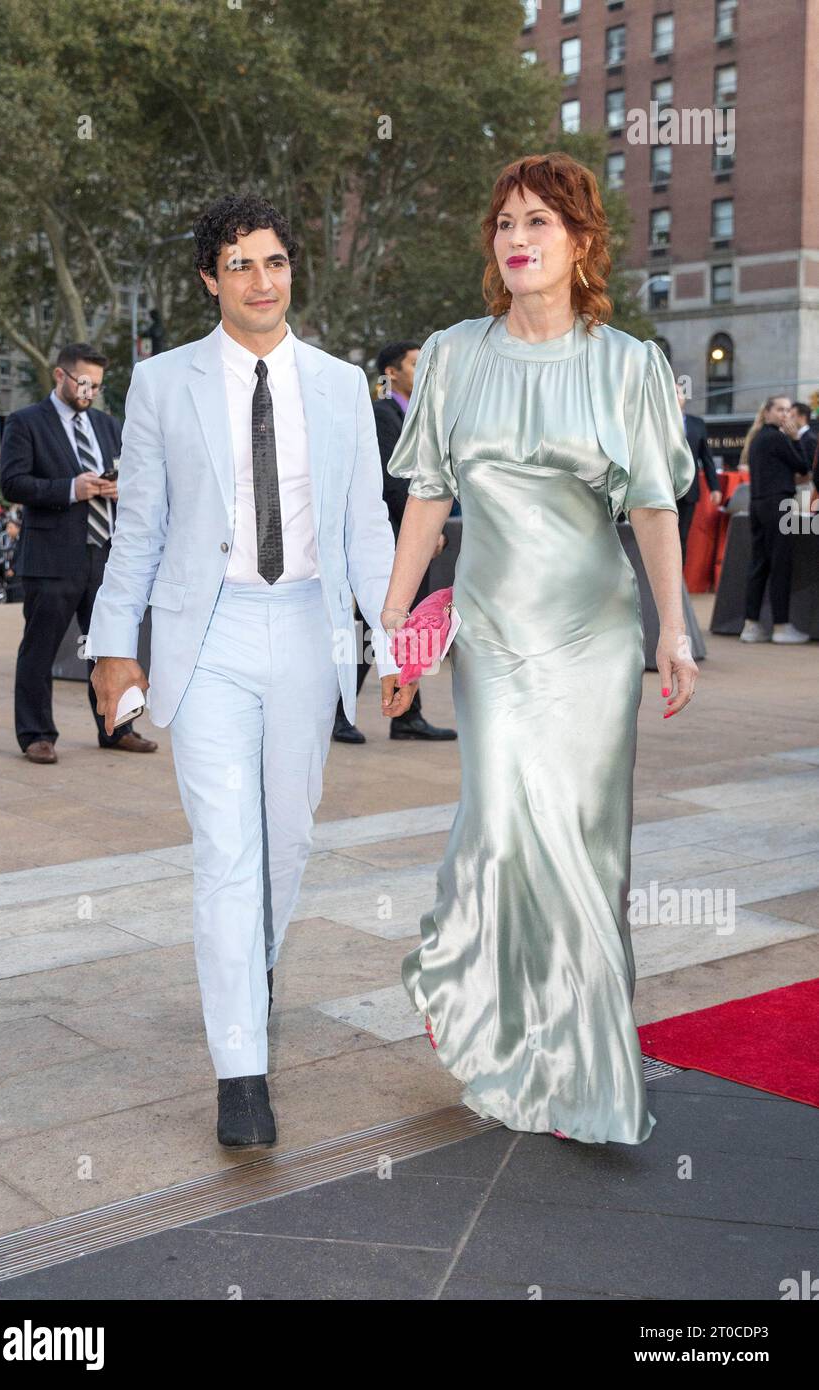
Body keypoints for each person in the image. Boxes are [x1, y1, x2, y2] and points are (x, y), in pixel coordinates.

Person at [381, 151, 699, 1145]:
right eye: (505, 223)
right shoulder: (452, 355)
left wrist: (674, 632)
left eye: (540, 223)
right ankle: (484, 1001)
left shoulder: (627, 364)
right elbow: (426, 499)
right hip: (491, 633)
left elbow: (652, 507)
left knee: (584, 845)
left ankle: (575, 1064)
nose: (517, 239)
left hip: (594, 634)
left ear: (580, 242)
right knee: (506, 825)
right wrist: (394, 637)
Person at [86, 193, 408, 1149]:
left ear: (291, 271)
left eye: (273, 262)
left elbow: (367, 527)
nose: (260, 282)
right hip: (210, 634)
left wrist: (395, 647)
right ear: (208, 280)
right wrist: (112, 646)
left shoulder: (343, 384)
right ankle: (242, 1073)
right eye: (239, 265)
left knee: (286, 844)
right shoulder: (161, 384)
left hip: (308, 631)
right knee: (225, 854)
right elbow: (139, 528)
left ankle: (254, 964)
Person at [0, 344, 158, 761]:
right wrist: (73, 488)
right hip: (51, 559)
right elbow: (13, 483)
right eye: (83, 383)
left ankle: (117, 729)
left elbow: (134, 474)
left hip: (104, 557)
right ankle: (36, 735)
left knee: (109, 647)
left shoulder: (108, 425)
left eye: (97, 386)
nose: (89, 392)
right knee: (40, 650)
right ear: (60, 376)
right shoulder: (25, 422)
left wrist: (120, 487)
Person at [332, 340, 457, 745]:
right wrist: (424, 527)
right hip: (391, 536)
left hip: (412, 536)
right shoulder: (383, 413)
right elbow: (390, 479)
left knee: (412, 623)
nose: (423, 371)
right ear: (391, 372)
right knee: (374, 625)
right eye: (415, 364)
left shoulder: (417, 413)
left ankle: (408, 714)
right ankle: (338, 710)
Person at [739, 396, 812, 644]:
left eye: (788, 410)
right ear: (767, 411)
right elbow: (803, 467)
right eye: (780, 409)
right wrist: (796, 440)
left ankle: (751, 625)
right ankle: (781, 625)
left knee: (759, 563)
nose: (785, 415)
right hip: (779, 504)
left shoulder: (758, 438)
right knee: (781, 563)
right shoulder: (777, 437)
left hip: (758, 503)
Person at [675, 381, 722, 565]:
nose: (674, 397)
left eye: (678, 393)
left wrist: (715, 487)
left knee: (682, 537)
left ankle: (678, 586)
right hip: (662, 490)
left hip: (689, 491)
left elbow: (706, 458)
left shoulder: (697, 424)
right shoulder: (655, 422)